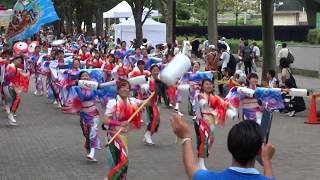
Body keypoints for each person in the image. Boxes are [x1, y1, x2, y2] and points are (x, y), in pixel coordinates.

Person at [170, 114, 276, 180]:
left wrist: (186, 137)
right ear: (259, 151)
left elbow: (190, 167)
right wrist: (266, 160)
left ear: (229, 146)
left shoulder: (208, 178)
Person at [103, 79, 144, 180]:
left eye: (127, 87)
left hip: (124, 137)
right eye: (122, 87)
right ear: (118, 89)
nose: (125, 89)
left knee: (120, 165)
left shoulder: (132, 101)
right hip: (113, 136)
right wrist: (119, 123)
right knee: (123, 162)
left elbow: (150, 102)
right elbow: (105, 120)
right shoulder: (113, 102)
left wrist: (157, 86)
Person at [74, 71, 101, 162]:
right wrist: (78, 88)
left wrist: (95, 88)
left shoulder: (93, 87)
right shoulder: (77, 88)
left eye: (87, 76)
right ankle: (89, 152)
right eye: (83, 76)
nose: (85, 77)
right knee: (87, 135)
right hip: (83, 115)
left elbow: (92, 96)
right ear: (80, 78)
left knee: (93, 132)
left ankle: (92, 153)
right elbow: (81, 98)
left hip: (93, 113)